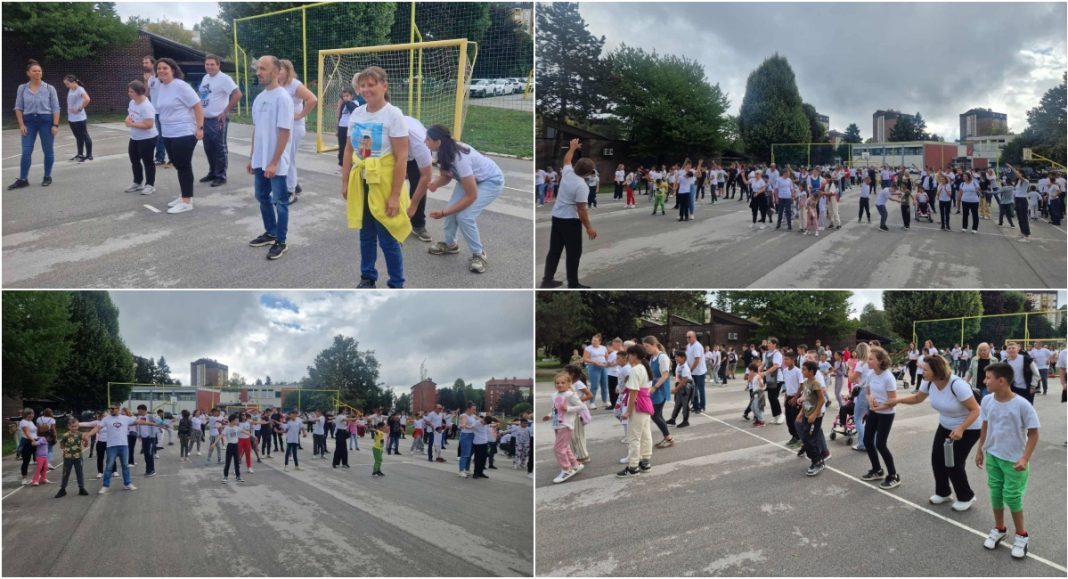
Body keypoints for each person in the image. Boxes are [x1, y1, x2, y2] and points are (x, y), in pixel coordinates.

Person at [342, 66, 410, 289]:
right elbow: (349, 150)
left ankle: (396, 284)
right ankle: (367, 276)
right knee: (366, 235)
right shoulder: (357, 113)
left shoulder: (393, 115)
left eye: (371, 85)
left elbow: (401, 157)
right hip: (362, 181)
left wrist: (395, 196)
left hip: (384, 183)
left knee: (388, 237)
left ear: (384, 86)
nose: (366, 89)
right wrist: (345, 181)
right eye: (362, 85)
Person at [890, 355, 981, 510]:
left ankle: (966, 497)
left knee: (953, 463)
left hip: (969, 427)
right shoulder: (928, 382)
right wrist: (897, 401)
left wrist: (961, 428)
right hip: (946, 425)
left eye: (925, 369)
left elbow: (975, 410)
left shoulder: (957, 385)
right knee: (937, 459)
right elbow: (918, 398)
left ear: (937, 370)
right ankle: (943, 492)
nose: (922, 372)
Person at [977, 362, 1040, 558]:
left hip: (1014, 461)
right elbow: (985, 425)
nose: (984, 381)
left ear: (1002, 381)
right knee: (996, 494)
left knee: (1012, 497)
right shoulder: (987, 401)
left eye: (988, 378)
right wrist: (980, 449)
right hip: (993, 456)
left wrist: (1025, 458)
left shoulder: (1022, 405)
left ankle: (1022, 536)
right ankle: (999, 529)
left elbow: (1034, 433)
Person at [421, 125, 504, 273]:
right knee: (452, 209)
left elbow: (471, 196)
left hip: (490, 181)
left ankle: (479, 254)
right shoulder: (439, 151)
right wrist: (436, 183)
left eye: (427, 139)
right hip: (469, 179)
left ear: (438, 141)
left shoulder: (460, 158)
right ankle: (450, 245)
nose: (424, 142)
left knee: (465, 216)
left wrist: (444, 213)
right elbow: (446, 176)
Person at [246, 55, 294, 261]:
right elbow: (257, 129)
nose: (258, 72)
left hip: (276, 162)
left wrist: (274, 162)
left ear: (275, 71)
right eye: (258, 68)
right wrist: (252, 157)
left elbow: (284, 133)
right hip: (260, 159)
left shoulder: (283, 98)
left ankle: (281, 241)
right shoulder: (259, 98)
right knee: (261, 196)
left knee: (280, 201)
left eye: (263, 69)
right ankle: (271, 232)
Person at [540, 138, 598, 288]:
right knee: (574, 253)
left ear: (576, 166)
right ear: (588, 173)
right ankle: (573, 283)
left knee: (554, 250)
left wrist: (572, 148)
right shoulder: (581, 186)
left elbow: (566, 160)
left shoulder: (568, 172)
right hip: (570, 221)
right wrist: (589, 228)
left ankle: (547, 280)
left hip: (557, 217)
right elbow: (581, 210)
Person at [154, 58, 204, 215]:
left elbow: (197, 106)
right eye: (159, 68)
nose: (161, 71)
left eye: (165, 68)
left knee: (183, 166)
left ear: (173, 70)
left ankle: (187, 201)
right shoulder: (162, 87)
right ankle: (184, 195)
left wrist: (200, 128)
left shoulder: (181, 86)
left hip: (183, 132)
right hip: (168, 133)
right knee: (176, 163)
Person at [10, 60, 60, 190]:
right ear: (28, 73)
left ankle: (47, 176)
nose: (37, 73)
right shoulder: (22, 88)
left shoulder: (49, 88)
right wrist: (21, 125)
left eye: (39, 71)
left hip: (46, 121)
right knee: (26, 151)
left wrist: (55, 125)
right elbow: (18, 107)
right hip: (29, 122)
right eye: (34, 71)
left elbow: (56, 108)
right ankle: (23, 179)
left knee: (48, 150)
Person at [197, 54, 241, 187]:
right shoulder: (205, 78)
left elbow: (237, 94)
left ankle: (221, 176)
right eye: (207, 64)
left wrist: (226, 111)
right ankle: (212, 172)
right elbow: (202, 95)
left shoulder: (224, 79)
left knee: (219, 148)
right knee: (208, 147)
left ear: (218, 65)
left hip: (217, 119)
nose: (209, 67)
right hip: (205, 119)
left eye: (212, 64)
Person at [860, 346, 901, 489]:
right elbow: (867, 393)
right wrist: (870, 401)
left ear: (880, 361)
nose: (868, 361)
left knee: (881, 445)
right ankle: (877, 470)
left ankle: (893, 475)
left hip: (886, 414)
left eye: (871, 359)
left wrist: (879, 407)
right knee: (867, 440)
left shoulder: (888, 378)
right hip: (874, 412)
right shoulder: (871, 374)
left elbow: (893, 402)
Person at [278, 59, 318, 204]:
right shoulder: (278, 85)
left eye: (281, 69)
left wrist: (300, 115)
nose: (277, 72)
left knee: (288, 158)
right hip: (284, 126)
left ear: (288, 71)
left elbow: (312, 99)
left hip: (294, 126)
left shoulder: (294, 84)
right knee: (284, 156)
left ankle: (291, 192)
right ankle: (294, 185)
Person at [98, 404, 155, 493]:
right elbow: (97, 427)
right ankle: (105, 485)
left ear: (118, 409)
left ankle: (127, 483)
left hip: (123, 446)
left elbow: (139, 422)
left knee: (125, 466)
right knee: (109, 467)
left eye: (113, 408)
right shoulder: (106, 419)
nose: (111, 410)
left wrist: (152, 423)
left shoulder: (125, 418)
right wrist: (88, 434)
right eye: (110, 408)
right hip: (111, 446)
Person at [617, 344, 654, 478]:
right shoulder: (644, 367)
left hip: (638, 405)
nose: (628, 357)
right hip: (646, 404)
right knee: (645, 434)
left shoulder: (635, 370)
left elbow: (633, 393)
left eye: (629, 354)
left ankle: (633, 467)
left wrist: (628, 411)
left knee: (634, 437)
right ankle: (645, 462)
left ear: (634, 355)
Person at [121, 80, 160, 196]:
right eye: (129, 91)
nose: (129, 93)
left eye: (131, 91)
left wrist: (131, 124)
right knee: (134, 160)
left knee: (148, 161)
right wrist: (127, 119)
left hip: (147, 138)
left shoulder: (146, 106)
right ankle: (137, 182)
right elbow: (130, 114)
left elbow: (149, 125)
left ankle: (150, 185)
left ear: (139, 92)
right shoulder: (132, 102)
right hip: (135, 137)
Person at [400, 115, 434, 243]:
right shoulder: (386, 132)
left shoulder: (421, 144)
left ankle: (418, 224)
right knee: (392, 184)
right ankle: (391, 219)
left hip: (415, 157)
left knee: (418, 186)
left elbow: (426, 178)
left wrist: (413, 205)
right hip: (396, 154)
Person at [798, 360, 828, 476]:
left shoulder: (815, 384)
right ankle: (816, 460)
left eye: (804, 369)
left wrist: (814, 414)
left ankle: (818, 462)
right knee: (806, 439)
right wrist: (801, 412)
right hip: (807, 415)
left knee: (810, 440)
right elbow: (806, 399)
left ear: (811, 372)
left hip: (815, 417)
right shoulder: (806, 382)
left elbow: (822, 400)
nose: (802, 371)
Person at [54, 417, 93, 497]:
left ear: (78, 426)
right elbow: (61, 446)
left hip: (78, 457)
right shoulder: (65, 435)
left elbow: (85, 445)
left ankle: (81, 488)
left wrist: (86, 441)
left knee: (79, 473)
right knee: (66, 473)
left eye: (76, 426)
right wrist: (68, 449)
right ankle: (63, 489)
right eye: (72, 426)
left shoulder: (80, 434)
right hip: (68, 458)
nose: (74, 428)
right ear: (69, 426)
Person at [62, 75, 93, 162]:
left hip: (79, 118)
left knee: (84, 135)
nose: (67, 86)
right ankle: (80, 154)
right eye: (66, 84)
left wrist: (79, 108)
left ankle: (89, 155)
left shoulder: (80, 89)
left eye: (67, 84)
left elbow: (87, 99)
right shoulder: (71, 89)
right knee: (78, 137)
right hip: (71, 118)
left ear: (73, 82)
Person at [582, 334, 609, 410]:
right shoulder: (588, 348)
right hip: (593, 367)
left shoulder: (603, 348)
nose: (593, 342)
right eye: (592, 340)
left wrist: (606, 363)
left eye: (595, 340)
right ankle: (592, 402)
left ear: (599, 341)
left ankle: (605, 400)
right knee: (594, 385)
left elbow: (606, 357)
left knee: (605, 384)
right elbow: (585, 359)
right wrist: (593, 362)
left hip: (603, 367)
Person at [335, 87, 360, 171]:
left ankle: (351, 163)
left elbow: (354, 110)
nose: (345, 98)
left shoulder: (354, 103)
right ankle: (341, 164)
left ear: (351, 96)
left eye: (347, 96)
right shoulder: (343, 104)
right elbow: (340, 116)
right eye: (344, 96)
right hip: (341, 127)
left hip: (349, 128)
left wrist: (348, 102)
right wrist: (337, 129)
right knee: (341, 146)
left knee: (349, 147)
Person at [668, 349, 692, 428]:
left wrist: (676, 389)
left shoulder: (685, 367)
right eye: (675, 357)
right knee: (678, 403)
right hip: (680, 385)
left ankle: (685, 421)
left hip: (686, 386)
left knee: (685, 404)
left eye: (677, 357)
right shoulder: (679, 365)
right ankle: (673, 419)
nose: (676, 358)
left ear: (683, 358)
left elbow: (684, 380)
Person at [685, 331, 708, 412]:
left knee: (700, 389)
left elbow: (697, 360)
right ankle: (695, 406)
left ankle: (702, 406)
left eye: (689, 337)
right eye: (687, 337)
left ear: (694, 337)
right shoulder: (688, 346)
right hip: (692, 372)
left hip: (699, 372)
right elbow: (687, 357)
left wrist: (691, 369)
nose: (687, 339)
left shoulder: (697, 346)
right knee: (693, 389)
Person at [458, 403, 478, 478]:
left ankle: (467, 469)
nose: (475, 410)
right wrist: (470, 427)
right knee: (465, 454)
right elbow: (463, 424)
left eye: (475, 409)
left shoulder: (473, 416)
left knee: (470, 454)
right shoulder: (464, 415)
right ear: (468, 408)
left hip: (473, 435)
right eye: (473, 409)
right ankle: (461, 471)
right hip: (466, 435)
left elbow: (481, 421)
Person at [745, 362, 766, 427]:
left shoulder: (758, 376)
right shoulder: (754, 377)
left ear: (752, 370)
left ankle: (762, 421)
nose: (749, 372)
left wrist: (760, 382)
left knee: (757, 408)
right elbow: (751, 382)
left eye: (749, 371)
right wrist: (749, 378)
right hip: (755, 394)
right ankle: (758, 419)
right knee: (752, 407)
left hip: (759, 394)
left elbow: (762, 386)